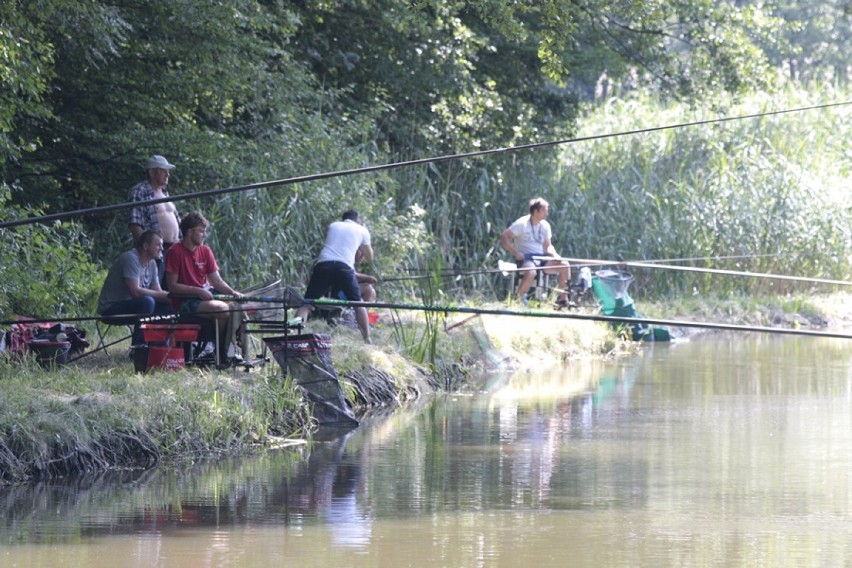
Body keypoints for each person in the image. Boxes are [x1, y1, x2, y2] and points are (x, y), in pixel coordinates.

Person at [164, 211, 244, 364]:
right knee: (221, 309)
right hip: (185, 303)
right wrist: (198, 291)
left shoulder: (206, 251)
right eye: (201, 231)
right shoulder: (175, 252)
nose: (204, 235)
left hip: (205, 297)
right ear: (189, 232)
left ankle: (231, 351)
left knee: (236, 307)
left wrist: (233, 293)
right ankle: (221, 352)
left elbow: (217, 282)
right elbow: (172, 286)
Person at [297, 210, 373, 343]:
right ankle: (367, 339)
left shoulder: (334, 225)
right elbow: (369, 256)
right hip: (344, 267)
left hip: (324, 264)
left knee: (307, 304)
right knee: (358, 304)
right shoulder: (361, 229)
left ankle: (294, 334)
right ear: (357, 220)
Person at [97, 231, 175, 344]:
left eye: (162, 245)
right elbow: (135, 291)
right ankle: (138, 349)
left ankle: (158, 347)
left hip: (133, 306)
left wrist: (174, 298)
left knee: (167, 305)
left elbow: (158, 292)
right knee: (147, 302)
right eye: (158, 245)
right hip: (111, 309)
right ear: (145, 246)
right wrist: (166, 295)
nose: (162, 248)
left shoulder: (152, 263)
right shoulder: (131, 258)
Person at [500, 197, 571, 306]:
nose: (547, 213)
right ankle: (519, 300)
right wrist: (515, 253)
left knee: (564, 265)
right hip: (526, 258)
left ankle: (563, 300)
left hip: (542, 258)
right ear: (535, 211)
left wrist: (555, 255)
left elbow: (548, 246)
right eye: (544, 210)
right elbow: (504, 237)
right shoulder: (521, 224)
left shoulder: (546, 226)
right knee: (531, 271)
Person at [128, 154, 180, 285]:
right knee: (155, 287)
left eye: (168, 171)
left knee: (173, 288)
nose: (167, 174)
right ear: (151, 172)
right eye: (163, 170)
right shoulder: (140, 190)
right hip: (155, 249)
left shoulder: (165, 193)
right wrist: (148, 249)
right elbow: (135, 224)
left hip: (174, 249)